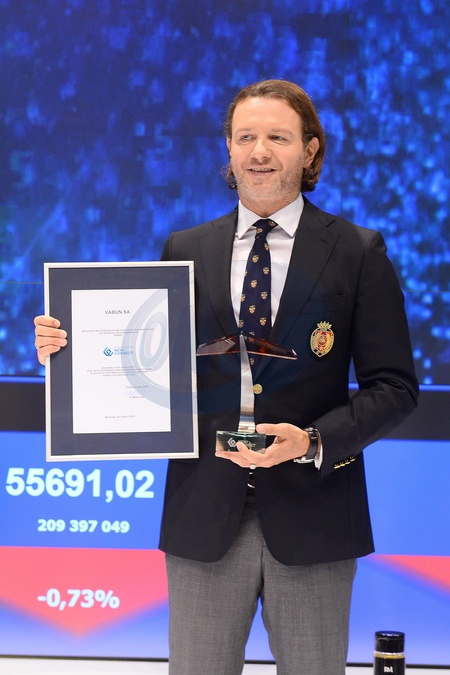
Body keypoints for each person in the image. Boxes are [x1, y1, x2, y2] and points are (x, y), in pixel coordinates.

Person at [34, 79, 419, 675]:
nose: (259, 151)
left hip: (315, 517)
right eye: (245, 137)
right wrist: (69, 349)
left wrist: (312, 441)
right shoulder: (184, 248)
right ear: (229, 150)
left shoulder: (357, 252)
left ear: (310, 150)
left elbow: (394, 388)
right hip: (204, 516)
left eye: (277, 138)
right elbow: (145, 361)